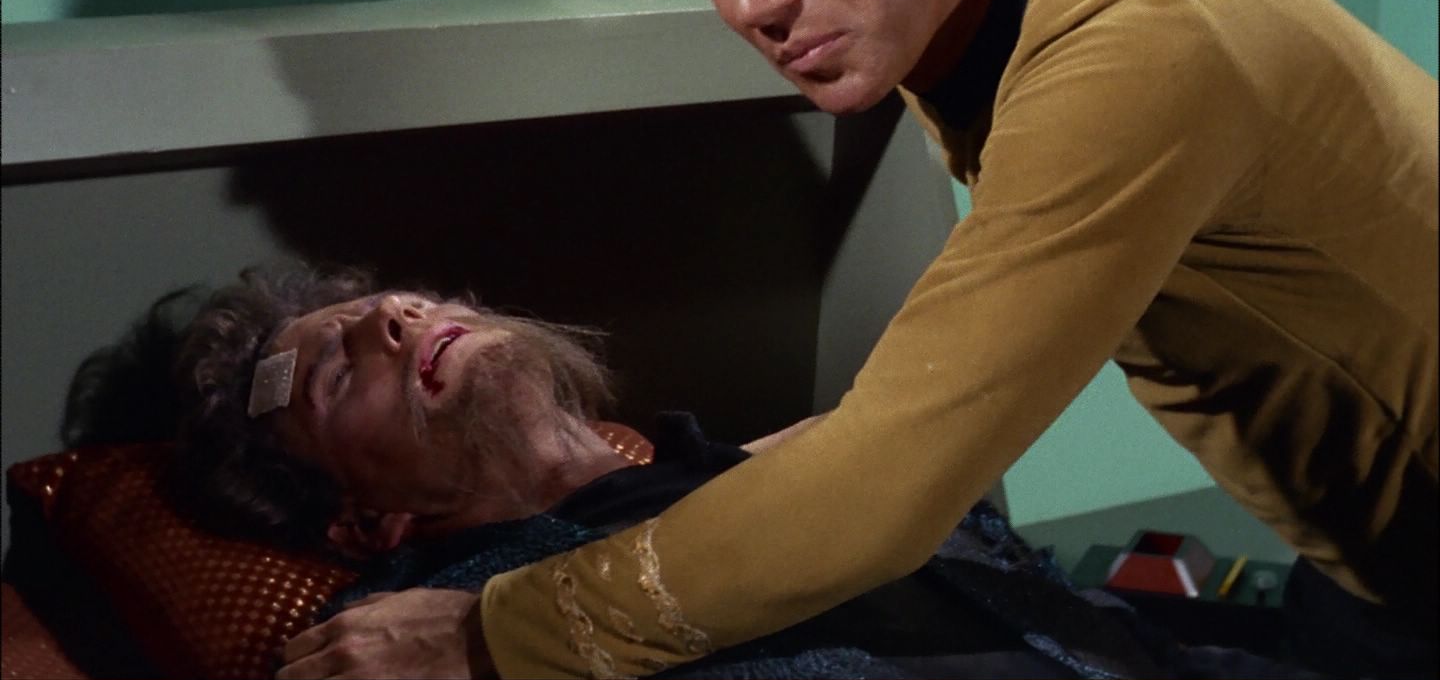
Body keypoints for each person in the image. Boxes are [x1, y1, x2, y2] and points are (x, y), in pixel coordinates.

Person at [280, 0, 1438, 680]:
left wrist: (497, 635)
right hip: (1370, 560)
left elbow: (890, 485)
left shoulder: (1129, 55)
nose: (753, 3)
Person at [174, 265, 1321, 680]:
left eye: (400, 302)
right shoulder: (418, 635)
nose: (389, 320)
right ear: (362, 522)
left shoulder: (806, 460)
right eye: (336, 373)